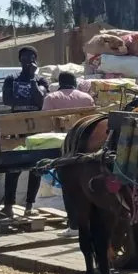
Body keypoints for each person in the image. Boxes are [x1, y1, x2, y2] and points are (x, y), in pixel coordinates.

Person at [42, 72, 96, 238]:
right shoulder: (87, 98)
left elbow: (45, 123)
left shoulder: (51, 98)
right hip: (88, 145)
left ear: (60, 83)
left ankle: (73, 225)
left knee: (69, 186)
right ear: (74, 83)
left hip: (62, 144)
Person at [0, 46, 50, 218]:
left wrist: (33, 81)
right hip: (15, 127)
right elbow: (8, 99)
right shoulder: (11, 79)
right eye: (25, 58)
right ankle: (8, 206)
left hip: (35, 128)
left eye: (31, 57)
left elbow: (40, 100)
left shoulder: (41, 80)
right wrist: (25, 101)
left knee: (36, 167)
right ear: (20, 60)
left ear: (36, 60)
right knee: (13, 167)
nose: (28, 61)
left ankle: (29, 205)